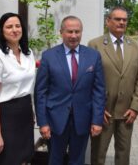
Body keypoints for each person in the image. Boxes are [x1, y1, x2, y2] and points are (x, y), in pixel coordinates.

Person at [35, 15, 105, 165]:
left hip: (82, 120)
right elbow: (40, 92)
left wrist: (97, 120)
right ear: (61, 32)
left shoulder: (93, 56)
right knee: (55, 160)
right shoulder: (49, 56)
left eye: (77, 32)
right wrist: (43, 123)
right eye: (69, 31)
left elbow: (99, 91)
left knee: (77, 161)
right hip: (55, 121)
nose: (74, 36)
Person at [89, 7, 138, 165]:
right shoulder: (95, 44)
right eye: (117, 19)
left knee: (123, 155)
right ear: (108, 21)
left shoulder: (136, 46)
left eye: (125, 20)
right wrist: (96, 109)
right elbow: (89, 80)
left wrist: (135, 107)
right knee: (98, 155)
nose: (121, 22)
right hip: (103, 112)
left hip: (127, 113)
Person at [0, 12, 35, 165]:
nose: (14, 30)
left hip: (25, 112)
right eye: (9, 27)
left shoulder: (28, 53)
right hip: (6, 116)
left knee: (25, 158)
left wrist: (30, 113)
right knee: (8, 160)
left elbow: (27, 87)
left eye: (17, 26)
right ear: (2, 31)